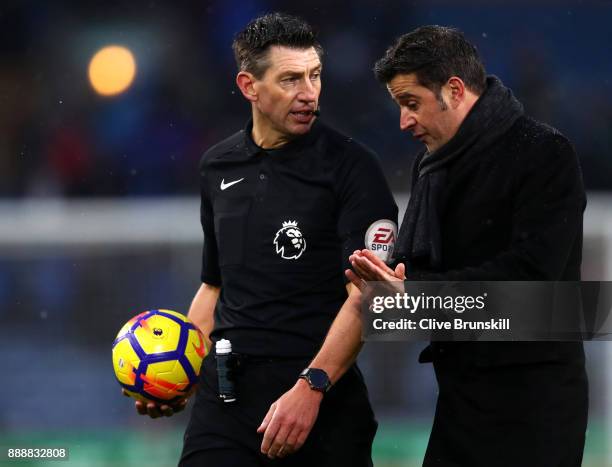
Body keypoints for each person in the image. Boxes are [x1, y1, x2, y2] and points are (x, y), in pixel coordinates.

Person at [126, 13, 398, 466]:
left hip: (322, 400)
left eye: (314, 76)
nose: (309, 93)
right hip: (226, 403)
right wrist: (181, 377)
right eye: (291, 79)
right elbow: (214, 287)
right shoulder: (218, 165)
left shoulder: (353, 168)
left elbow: (368, 297)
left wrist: (311, 387)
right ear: (249, 86)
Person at [347, 26, 588, 467]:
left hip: (535, 411)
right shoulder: (432, 164)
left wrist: (418, 295)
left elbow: (532, 277)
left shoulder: (544, 152)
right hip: (459, 402)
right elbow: (414, 275)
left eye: (411, 103)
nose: (403, 121)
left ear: (454, 90)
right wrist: (385, 285)